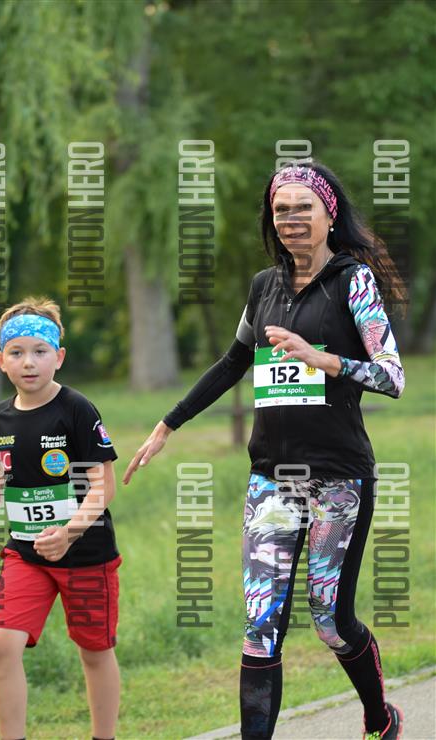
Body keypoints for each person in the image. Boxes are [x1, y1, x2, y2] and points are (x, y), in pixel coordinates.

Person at [123, 161, 407, 740]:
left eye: (304, 207)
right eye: (281, 209)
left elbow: (392, 376)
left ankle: (381, 719)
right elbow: (234, 362)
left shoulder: (354, 281)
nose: (291, 218)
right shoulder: (264, 286)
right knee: (260, 627)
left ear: (329, 214)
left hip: (338, 480)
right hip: (272, 480)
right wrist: (168, 424)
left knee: (329, 621)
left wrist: (322, 358)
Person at [0, 297, 121, 740]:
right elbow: (1, 471)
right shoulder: (1, 417)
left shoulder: (76, 409)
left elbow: (103, 486)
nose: (28, 362)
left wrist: (69, 532)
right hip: (26, 553)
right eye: (16, 352)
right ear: (1, 360)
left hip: (85, 554)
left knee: (94, 650)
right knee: (0, 643)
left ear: (59, 357)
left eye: (39, 351)